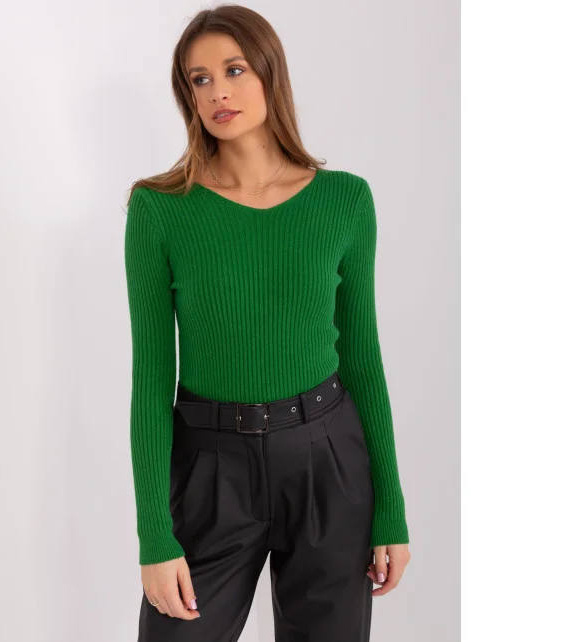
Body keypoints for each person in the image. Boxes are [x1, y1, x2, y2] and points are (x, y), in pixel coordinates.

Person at [124, 5, 411, 641]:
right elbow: (151, 381)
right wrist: (154, 536)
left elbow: (363, 362)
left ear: (269, 73)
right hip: (211, 468)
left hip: (329, 463)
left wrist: (390, 510)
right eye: (199, 79)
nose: (217, 92)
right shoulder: (159, 209)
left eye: (234, 70)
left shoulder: (344, 200)